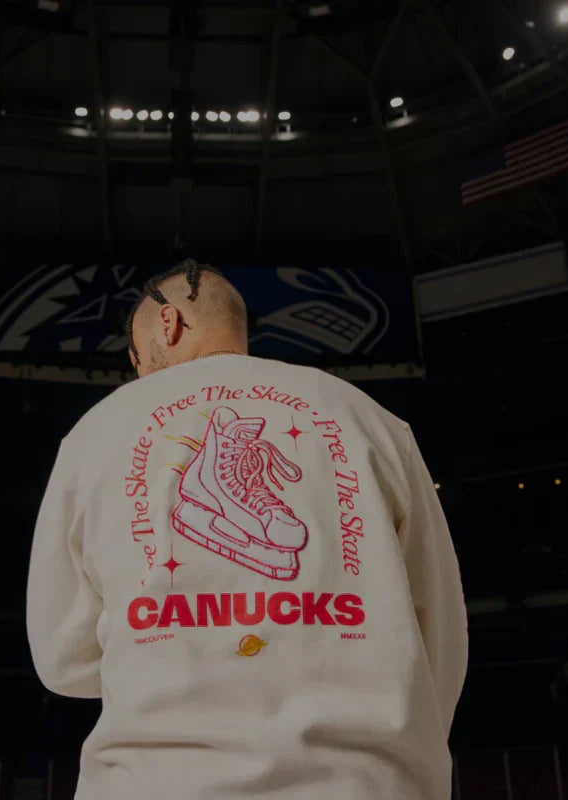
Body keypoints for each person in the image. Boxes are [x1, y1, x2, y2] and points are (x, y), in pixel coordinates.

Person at [26, 259, 468, 800]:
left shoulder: (96, 433)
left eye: (136, 356)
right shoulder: (367, 418)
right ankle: (221, 488)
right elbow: (440, 635)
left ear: (167, 323)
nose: (138, 374)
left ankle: (216, 491)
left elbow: (63, 659)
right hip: (364, 781)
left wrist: (173, 646)